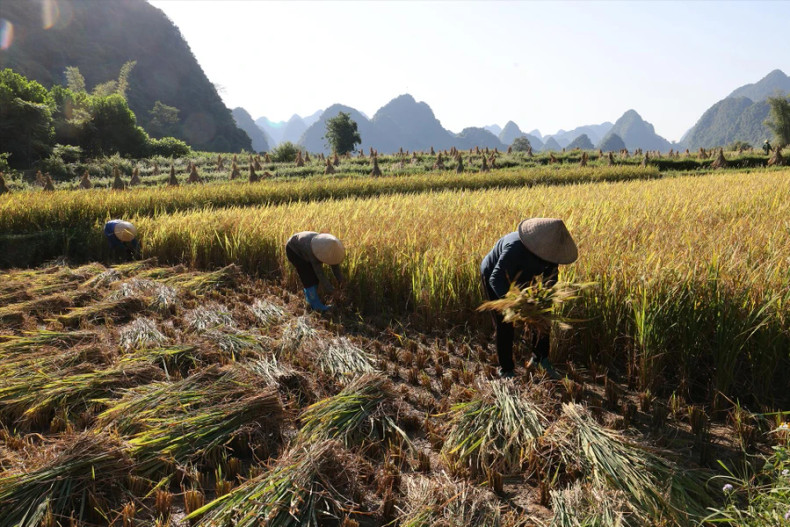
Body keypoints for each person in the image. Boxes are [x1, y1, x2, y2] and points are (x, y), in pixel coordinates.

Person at [480, 218, 578, 379]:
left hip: (523, 274)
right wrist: (514, 304)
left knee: (542, 317)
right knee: (505, 323)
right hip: (495, 275)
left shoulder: (551, 254)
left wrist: (543, 301)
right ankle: (506, 370)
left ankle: (540, 359)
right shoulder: (515, 248)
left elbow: (551, 278)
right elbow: (495, 278)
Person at [285, 231, 345, 312]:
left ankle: (310, 299)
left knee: (314, 279)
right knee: (309, 278)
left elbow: (335, 266)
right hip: (293, 250)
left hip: (303, 246)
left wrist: (341, 282)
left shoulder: (331, 247)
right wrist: (332, 291)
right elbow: (320, 274)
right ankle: (315, 305)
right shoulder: (313, 250)